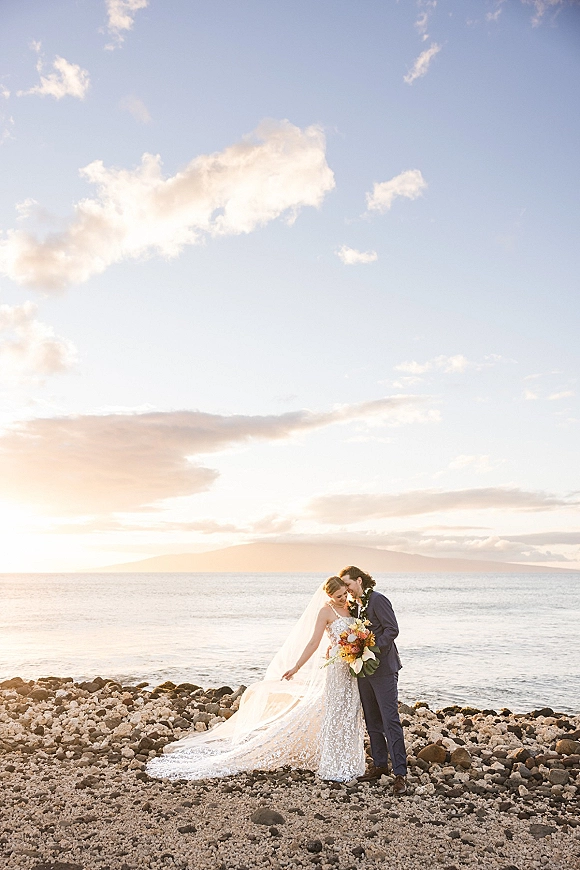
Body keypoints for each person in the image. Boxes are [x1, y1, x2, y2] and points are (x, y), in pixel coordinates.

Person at [146, 576, 365, 783]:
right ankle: (334, 764)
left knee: (351, 711)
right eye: (338, 596)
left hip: (353, 666)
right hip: (336, 668)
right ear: (328, 595)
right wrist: (296, 667)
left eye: (345, 594)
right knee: (336, 714)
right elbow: (313, 643)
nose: (343, 599)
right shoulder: (325, 612)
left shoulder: (352, 608)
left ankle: (352, 762)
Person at [339, 565, 408, 796]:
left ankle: (400, 773)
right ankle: (379, 765)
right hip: (362, 670)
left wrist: (370, 648)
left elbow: (392, 630)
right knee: (371, 719)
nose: (346, 589)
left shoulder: (378, 600)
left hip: (384, 669)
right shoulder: (354, 607)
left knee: (390, 720)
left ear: (359, 581)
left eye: (348, 584)